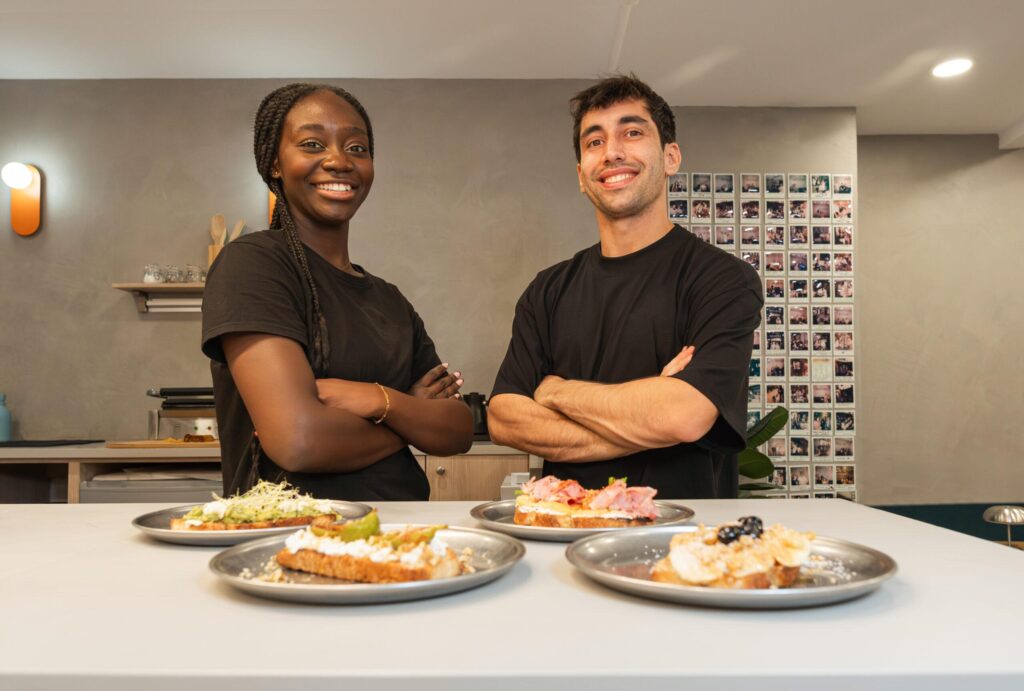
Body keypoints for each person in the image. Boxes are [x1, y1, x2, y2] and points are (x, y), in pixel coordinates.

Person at [486, 75, 762, 499]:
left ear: (671, 156)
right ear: (581, 175)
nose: (612, 152)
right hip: (565, 531)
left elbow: (683, 416)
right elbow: (504, 418)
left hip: (680, 544)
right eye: (594, 142)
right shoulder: (548, 290)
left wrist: (555, 390)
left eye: (632, 133)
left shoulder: (722, 280)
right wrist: (651, 415)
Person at [201, 83, 472, 500]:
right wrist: (407, 415)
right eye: (312, 144)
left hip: (402, 535)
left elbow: (457, 430)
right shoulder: (252, 265)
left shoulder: (389, 300)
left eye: (357, 148)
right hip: (287, 535)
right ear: (274, 162)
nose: (339, 160)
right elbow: (298, 440)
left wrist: (377, 400)